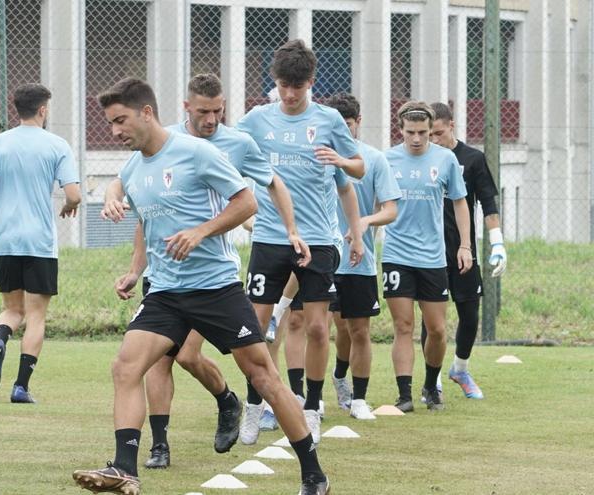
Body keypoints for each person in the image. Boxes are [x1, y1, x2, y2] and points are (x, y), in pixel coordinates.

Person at [73, 77, 330, 495]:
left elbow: (247, 201)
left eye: (120, 121)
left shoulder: (197, 153)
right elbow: (144, 218)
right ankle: (124, 469)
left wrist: (201, 232)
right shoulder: (135, 167)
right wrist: (130, 250)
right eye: (111, 123)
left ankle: (314, 475)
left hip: (216, 289)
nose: (115, 131)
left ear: (147, 112)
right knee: (126, 367)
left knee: (263, 377)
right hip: (166, 294)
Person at [237, 38, 365, 446]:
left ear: (311, 82)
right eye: (283, 86)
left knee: (316, 327)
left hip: (320, 242)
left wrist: (342, 161)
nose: (290, 95)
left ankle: (311, 406)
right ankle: (254, 403)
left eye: (299, 86)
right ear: (274, 81)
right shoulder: (257, 119)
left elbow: (358, 169)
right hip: (270, 239)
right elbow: (223, 148)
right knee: (255, 328)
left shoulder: (328, 120)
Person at [0, 83, 81, 404]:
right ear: (43, 110)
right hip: (39, 241)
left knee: (11, 309)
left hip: (6, 238)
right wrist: (67, 205)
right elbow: (74, 193)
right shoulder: (57, 145)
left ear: (16, 109)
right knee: (36, 316)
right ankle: (20, 386)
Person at [382, 101, 471, 413]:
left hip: (432, 257)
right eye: (410, 132)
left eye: (423, 133)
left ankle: (431, 385)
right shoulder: (388, 159)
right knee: (403, 325)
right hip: (396, 253)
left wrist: (465, 245)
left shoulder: (445, 160)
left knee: (436, 329)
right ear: (401, 130)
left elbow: (461, 203)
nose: (417, 138)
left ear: (431, 132)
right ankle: (404, 394)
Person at [422, 101, 507, 400]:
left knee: (470, 314)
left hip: (462, 249)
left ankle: (460, 368)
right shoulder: (421, 158)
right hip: (428, 250)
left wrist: (496, 241)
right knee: (432, 320)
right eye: (429, 135)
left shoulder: (472, 159)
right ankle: (432, 380)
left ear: (451, 126)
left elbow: (488, 202)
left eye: (438, 134)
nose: (433, 140)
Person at [323, 93, 401, 420]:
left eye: (349, 125)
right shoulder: (319, 158)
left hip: (359, 261)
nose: (343, 132)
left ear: (358, 123)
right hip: (322, 260)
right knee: (321, 328)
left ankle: (358, 398)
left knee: (358, 331)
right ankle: (311, 396)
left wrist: (363, 222)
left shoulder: (373, 160)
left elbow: (391, 210)